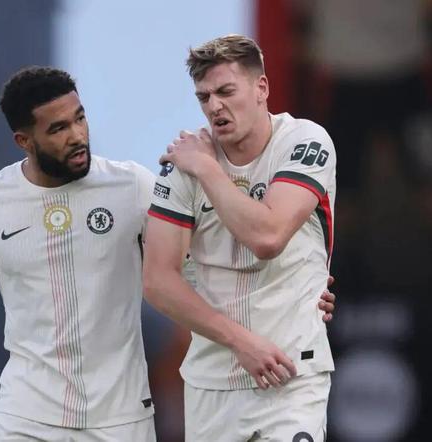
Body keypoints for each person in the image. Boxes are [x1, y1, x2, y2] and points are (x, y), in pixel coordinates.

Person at [0, 66, 337, 441]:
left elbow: (206, 272)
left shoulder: (132, 187)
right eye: (58, 129)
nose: (77, 135)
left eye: (80, 118)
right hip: (23, 419)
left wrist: (297, 289)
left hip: (121, 422)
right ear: (24, 141)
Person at [143, 35, 336, 442]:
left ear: (261, 88)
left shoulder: (303, 141)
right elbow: (158, 281)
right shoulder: (181, 166)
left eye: (226, 91)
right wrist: (240, 342)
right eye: (204, 97)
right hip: (211, 383)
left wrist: (208, 170)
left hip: (292, 373)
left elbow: (268, 237)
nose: (214, 106)